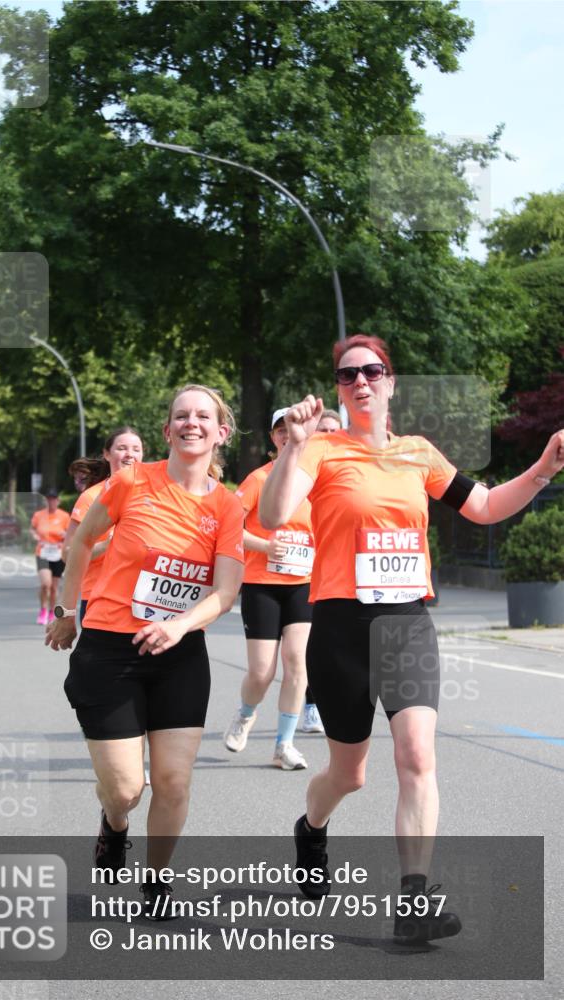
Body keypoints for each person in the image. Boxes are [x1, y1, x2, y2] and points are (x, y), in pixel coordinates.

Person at [259, 334, 564, 944]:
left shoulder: (419, 453)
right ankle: (312, 827)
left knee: (417, 756)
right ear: (340, 391)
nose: (361, 382)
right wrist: (293, 447)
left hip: (406, 624)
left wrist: (543, 468)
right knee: (348, 774)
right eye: (348, 376)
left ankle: (414, 900)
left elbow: (481, 505)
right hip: (340, 627)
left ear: (391, 382)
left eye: (372, 371)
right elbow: (272, 515)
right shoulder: (321, 450)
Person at [45, 385, 244, 918]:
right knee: (128, 788)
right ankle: (114, 824)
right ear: (167, 430)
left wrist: (179, 626)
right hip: (110, 651)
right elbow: (81, 543)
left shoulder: (227, 506)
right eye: (181, 415)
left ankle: (157, 885)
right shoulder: (132, 482)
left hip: (180, 653)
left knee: (175, 781)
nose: (192, 423)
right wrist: (68, 613)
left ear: (220, 432)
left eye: (203, 416)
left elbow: (226, 592)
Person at [224, 408, 314, 770]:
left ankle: (284, 744)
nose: (285, 434)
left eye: (290, 429)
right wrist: (264, 547)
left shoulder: (313, 482)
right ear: (273, 438)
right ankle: (245, 715)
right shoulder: (259, 479)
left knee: (297, 664)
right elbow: (230, 527)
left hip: (303, 585)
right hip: (261, 584)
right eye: (278, 429)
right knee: (262, 671)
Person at [64, 427, 144, 624]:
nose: (130, 454)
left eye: (136, 449)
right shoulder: (91, 497)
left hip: (143, 600)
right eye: (122, 448)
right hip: (99, 600)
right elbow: (67, 554)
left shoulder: (151, 495)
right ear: (107, 454)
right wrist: (107, 546)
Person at [300, 409, 342, 734]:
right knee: (275, 664)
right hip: (300, 579)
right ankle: (310, 702)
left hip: (343, 583)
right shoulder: (307, 470)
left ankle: (316, 703)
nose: (328, 435)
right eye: (322, 430)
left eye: (333, 430)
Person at [30, 489, 71, 625]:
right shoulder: (39, 515)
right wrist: (35, 536)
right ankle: (43, 610)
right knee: (45, 584)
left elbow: (71, 533)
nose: (51, 502)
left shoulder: (64, 516)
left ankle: (52, 611)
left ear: (58, 501)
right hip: (42, 552)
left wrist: (65, 536)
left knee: (54, 587)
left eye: (53, 499)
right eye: (49, 499)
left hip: (58, 553)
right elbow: (32, 529)